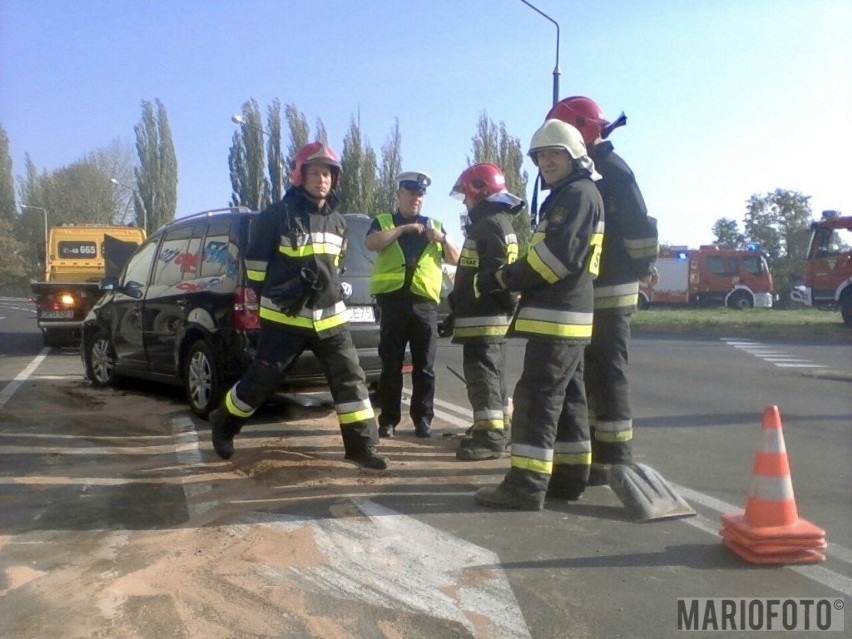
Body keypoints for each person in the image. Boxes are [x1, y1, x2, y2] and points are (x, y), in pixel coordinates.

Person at [207, 142, 389, 470]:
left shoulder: (338, 222)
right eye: (315, 172)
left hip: (331, 317)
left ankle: (362, 446)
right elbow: (256, 268)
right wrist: (280, 293)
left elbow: (337, 266)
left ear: (335, 180)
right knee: (263, 379)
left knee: (350, 378)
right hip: (286, 317)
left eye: (328, 174)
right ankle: (225, 421)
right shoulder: (275, 216)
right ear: (299, 176)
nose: (322, 180)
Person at [473, 120, 605, 511]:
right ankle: (568, 477)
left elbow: (553, 260)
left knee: (536, 398)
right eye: (541, 156)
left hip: (557, 316)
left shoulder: (575, 196)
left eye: (555, 154)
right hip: (569, 315)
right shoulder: (573, 193)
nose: (546, 161)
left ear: (575, 156)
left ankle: (525, 485)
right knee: (569, 401)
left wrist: (503, 278)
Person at [546, 96, 659, 480]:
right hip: (596, 289)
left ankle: (614, 456)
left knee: (608, 371)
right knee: (591, 372)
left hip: (613, 288)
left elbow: (640, 227)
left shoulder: (612, 170)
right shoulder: (591, 173)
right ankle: (594, 450)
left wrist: (642, 268)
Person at [366, 171, 460, 438]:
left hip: (425, 306)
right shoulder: (385, 221)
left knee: (425, 367)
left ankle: (423, 420)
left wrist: (441, 238)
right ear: (399, 195)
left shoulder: (436, 225)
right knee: (391, 365)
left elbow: (457, 258)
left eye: (420, 195)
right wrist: (403, 229)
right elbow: (372, 243)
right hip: (394, 303)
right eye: (410, 194)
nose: (415, 199)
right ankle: (388, 420)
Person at [448, 164, 523, 460]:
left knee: (483, 377)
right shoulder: (497, 222)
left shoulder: (489, 224)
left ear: (479, 191)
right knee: (493, 376)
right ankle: (498, 430)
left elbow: (495, 275)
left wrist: (470, 293)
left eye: (466, 195)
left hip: (484, 317)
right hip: (487, 316)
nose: (465, 202)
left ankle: (490, 438)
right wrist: (459, 295)